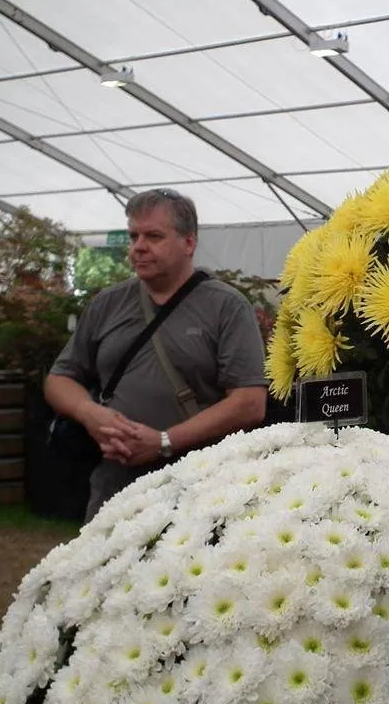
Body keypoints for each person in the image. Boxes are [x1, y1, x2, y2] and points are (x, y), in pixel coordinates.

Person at [45, 189, 267, 521]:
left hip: (201, 490)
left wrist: (164, 441)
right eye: (133, 236)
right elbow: (59, 379)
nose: (138, 246)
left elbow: (250, 402)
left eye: (154, 236)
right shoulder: (108, 304)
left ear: (188, 243)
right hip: (114, 490)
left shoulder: (226, 307)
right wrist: (90, 414)